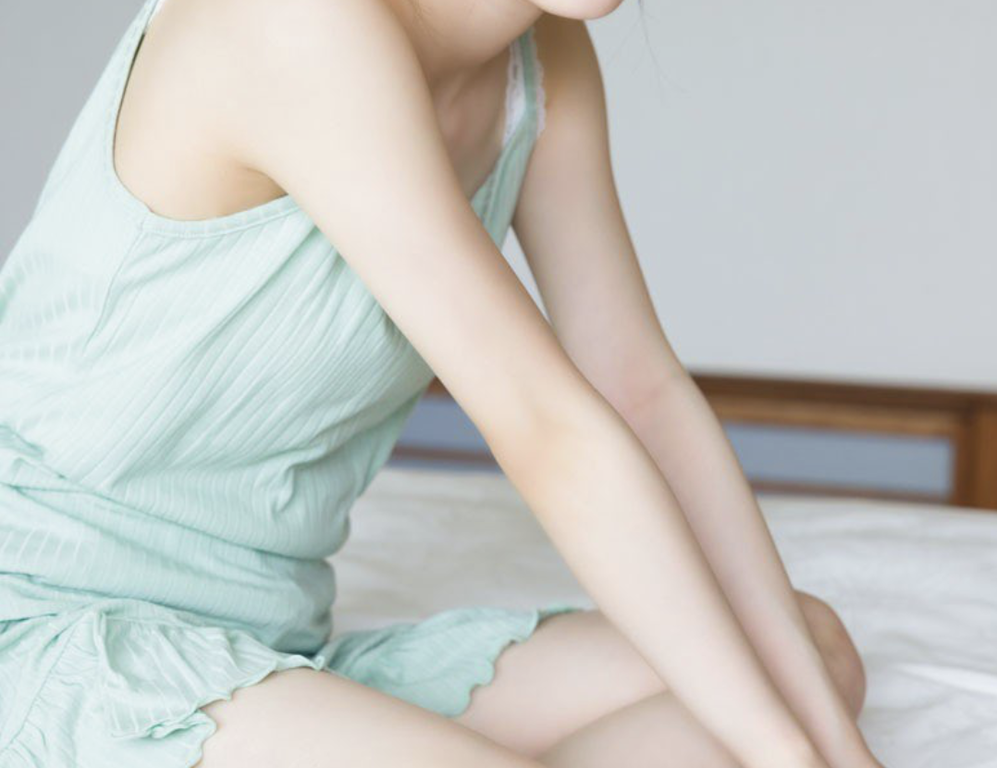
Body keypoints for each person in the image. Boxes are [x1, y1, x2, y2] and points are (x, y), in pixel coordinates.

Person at [0, 0, 884, 766]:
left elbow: (637, 392)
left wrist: (829, 753)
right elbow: (542, 423)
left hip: (265, 650)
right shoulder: (290, 21)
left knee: (808, 661)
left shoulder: (545, 64)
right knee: (766, 724)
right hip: (41, 635)